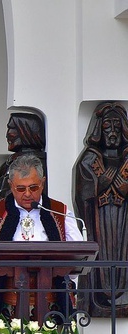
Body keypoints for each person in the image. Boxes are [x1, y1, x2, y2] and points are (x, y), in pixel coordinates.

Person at [0, 154, 83, 323]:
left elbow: (79, 258)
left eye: (33, 187)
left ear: (43, 183)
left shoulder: (59, 212)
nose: (28, 194)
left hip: (53, 304)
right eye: (21, 189)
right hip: (6, 304)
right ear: (11, 186)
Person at [73, 102, 128, 316]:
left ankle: (122, 296)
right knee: (102, 259)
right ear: (99, 130)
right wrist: (99, 185)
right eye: (107, 127)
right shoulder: (89, 159)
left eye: (117, 127)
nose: (112, 133)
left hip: (124, 219)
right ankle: (101, 297)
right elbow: (82, 193)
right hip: (100, 220)